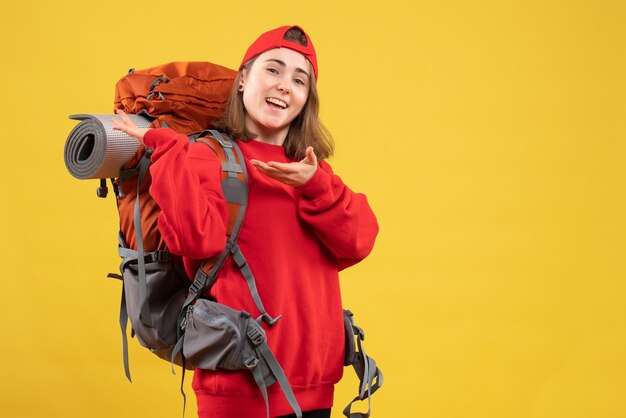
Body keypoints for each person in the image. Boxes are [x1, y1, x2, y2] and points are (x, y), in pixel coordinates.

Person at [112, 25, 378, 418]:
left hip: (318, 392)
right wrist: (169, 152)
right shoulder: (205, 156)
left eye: (299, 79)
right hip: (239, 396)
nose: (285, 85)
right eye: (273, 69)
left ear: (307, 99)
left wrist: (316, 184)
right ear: (242, 81)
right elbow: (196, 243)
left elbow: (359, 241)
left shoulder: (310, 170)